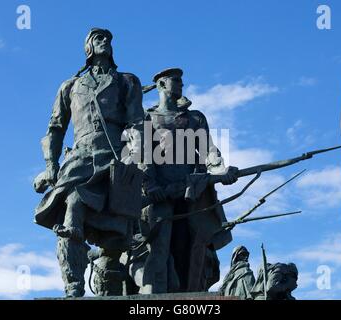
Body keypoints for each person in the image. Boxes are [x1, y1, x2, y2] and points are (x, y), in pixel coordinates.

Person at [33, 28, 144, 297]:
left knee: (118, 231)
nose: (105, 42)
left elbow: (137, 124)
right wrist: (51, 164)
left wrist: (136, 158)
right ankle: (73, 285)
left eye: (108, 39)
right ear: (88, 48)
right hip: (81, 160)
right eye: (99, 39)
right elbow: (55, 129)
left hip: (116, 158)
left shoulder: (127, 82)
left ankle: (111, 283)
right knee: (72, 210)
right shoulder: (71, 86)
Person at [135, 68, 238, 294]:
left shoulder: (195, 118)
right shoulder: (146, 119)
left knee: (192, 247)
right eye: (175, 81)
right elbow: (142, 156)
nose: (181, 84)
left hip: (193, 193)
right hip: (160, 195)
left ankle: (189, 294)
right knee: (160, 247)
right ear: (161, 85)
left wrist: (222, 172)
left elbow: (209, 151)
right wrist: (150, 186)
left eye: (181, 80)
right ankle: (155, 296)